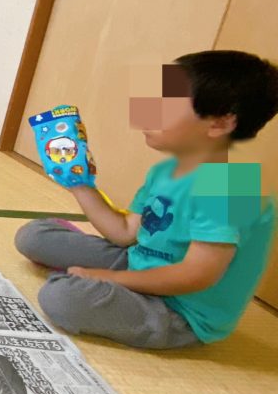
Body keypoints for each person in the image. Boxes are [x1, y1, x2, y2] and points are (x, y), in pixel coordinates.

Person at [15, 50, 278, 349]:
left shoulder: (233, 186)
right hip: (138, 263)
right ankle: (87, 276)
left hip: (180, 311)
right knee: (34, 236)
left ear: (219, 124)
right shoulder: (167, 172)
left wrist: (105, 279)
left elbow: (196, 276)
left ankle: (87, 281)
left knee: (61, 298)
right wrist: (78, 182)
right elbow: (125, 233)